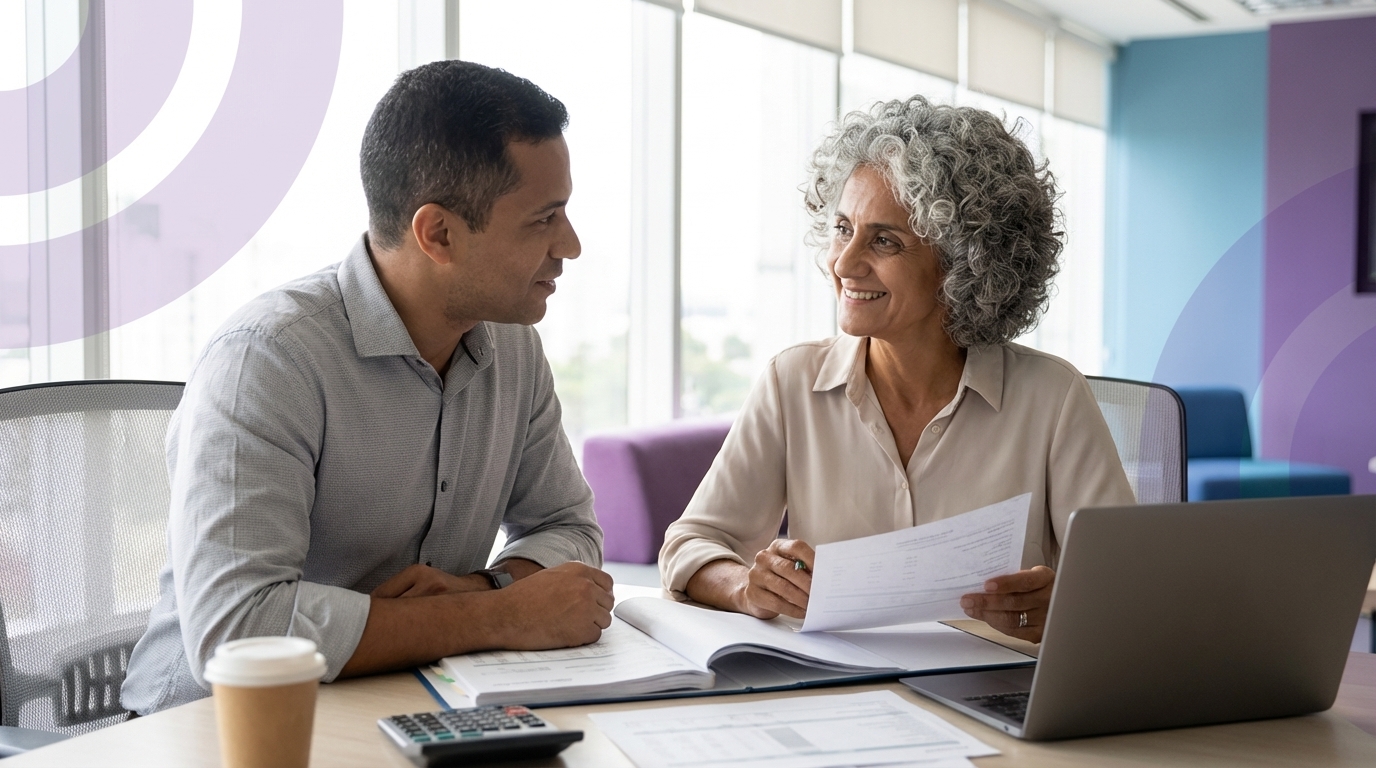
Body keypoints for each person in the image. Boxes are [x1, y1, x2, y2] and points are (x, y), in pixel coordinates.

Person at [122, 61, 613, 715]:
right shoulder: (267, 360)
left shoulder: (513, 349)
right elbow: (238, 629)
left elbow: (566, 525)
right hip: (211, 728)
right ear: (438, 233)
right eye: (543, 219)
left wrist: (482, 587)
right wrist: (501, 615)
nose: (570, 245)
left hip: (401, 701)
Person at [659, 96, 1134, 644]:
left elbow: (1128, 587)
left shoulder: (1052, 396)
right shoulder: (792, 382)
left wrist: (1068, 605)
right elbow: (691, 545)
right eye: (843, 228)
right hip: (839, 687)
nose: (843, 263)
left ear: (964, 261)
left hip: (997, 686)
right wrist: (747, 586)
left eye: (884, 240)